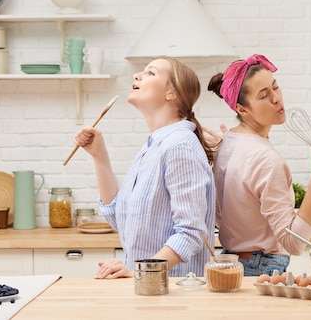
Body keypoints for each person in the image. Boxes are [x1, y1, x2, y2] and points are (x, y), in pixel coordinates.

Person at [72, 56, 216, 279]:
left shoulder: (179, 146)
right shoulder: (152, 148)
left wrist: (140, 271)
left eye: (151, 73)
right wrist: (99, 156)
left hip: (173, 299)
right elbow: (119, 219)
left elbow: (191, 233)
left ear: (171, 93)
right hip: (147, 290)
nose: (137, 75)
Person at [207, 53, 311, 276]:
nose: (277, 99)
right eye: (264, 95)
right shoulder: (266, 159)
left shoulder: (225, 144)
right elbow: (293, 244)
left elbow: (221, 216)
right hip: (261, 267)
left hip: (234, 262)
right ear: (242, 109)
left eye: (275, 87)